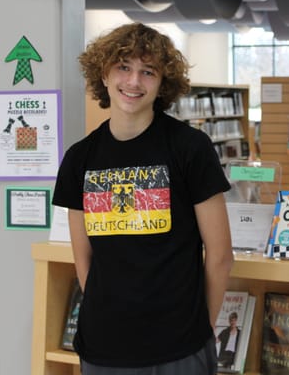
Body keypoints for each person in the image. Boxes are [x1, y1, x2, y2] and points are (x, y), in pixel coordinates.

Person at [53, 22, 234, 375]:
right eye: (123, 67)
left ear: (162, 83)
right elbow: (83, 257)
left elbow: (221, 255)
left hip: (180, 348)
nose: (134, 82)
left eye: (147, 71)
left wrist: (202, 329)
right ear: (103, 74)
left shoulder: (189, 148)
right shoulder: (80, 158)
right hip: (104, 347)